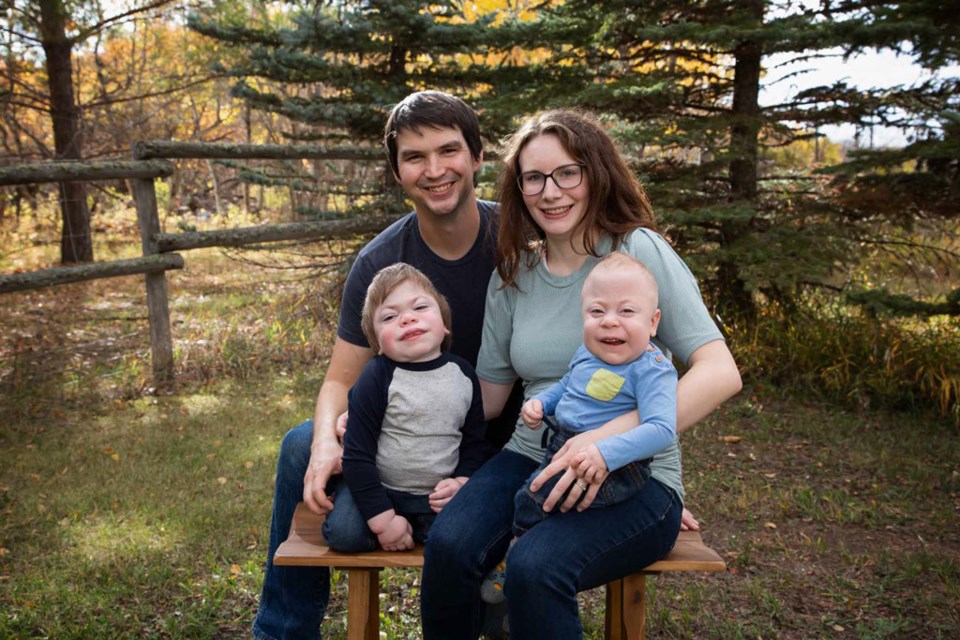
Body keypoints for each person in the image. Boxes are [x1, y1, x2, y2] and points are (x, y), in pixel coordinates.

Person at [420, 109, 742, 639]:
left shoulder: (637, 252)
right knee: (451, 544)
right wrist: (390, 407)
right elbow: (490, 398)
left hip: (636, 476)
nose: (551, 191)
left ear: (595, 172)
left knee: (536, 566)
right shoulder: (513, 275)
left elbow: (720, 370)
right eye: (533, 178)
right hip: (530, 456)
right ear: (518, 188)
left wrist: (610, 438)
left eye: (567, 172)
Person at [252, 90, 521, 640]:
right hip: (402, 429)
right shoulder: (380, 263)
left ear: (476, 157)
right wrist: (328, 442)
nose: (435, 169)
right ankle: (282, 630)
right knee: (302, 444)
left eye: (449, 150)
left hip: (496, 437)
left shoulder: (519, 242)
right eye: (415, 157)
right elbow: (339, 379)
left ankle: (497, 600)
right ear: (397, 171)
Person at [480, 252, 677, 603]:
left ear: (653, 321)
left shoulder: (652, 369)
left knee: (532, 498)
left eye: (627, 311)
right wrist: (543, 403)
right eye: (596, 311)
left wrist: (605, 451)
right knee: (530, 497)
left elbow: (661, 429)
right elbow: (568, 386)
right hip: (562, 445)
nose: (609, 322)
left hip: (617, 464)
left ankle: (515, 558)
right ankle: (525, 567)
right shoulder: (586, 353)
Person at [322, 263, 487, 553]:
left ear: (444, 322)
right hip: (378, 487)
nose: (408, 319)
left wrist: (461, 480)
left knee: (462, 539)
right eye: (390, 316)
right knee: (344, 534)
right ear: (378, 343)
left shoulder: (463, 375)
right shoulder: (377, 376)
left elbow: (474, 442)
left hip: (434, 495)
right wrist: (383, 522)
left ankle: (419, 531)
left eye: (420, 308)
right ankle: (386, 525)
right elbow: (357, 455)